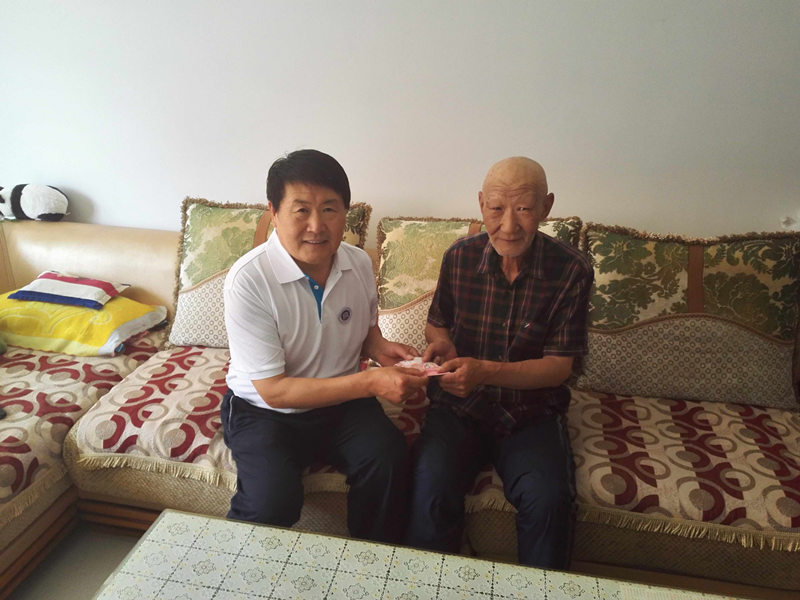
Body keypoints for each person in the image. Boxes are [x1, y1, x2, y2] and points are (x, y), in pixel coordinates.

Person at [222, 149, 428, 543]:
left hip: (342, 404)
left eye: (330, 209)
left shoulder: (358, 264)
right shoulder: (248, 280)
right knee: (271, 503)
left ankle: (369, 562)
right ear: (273, 212)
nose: (316, 226)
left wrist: (382, 349)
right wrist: (371, 382)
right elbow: (274, 390)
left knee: (388, 462)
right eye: (301, 210)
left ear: (346, 213)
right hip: (265, 412)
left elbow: (366, 332)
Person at [405, 156, 593, 567]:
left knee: (548, 502)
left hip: (531, 413)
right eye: (496, 208)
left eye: (523, 208)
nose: (508, 226)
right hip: (458, 407)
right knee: (429, 491)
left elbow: (559, 366)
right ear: (481, 204)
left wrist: (485, 371)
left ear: (546, 207)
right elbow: (437, 324)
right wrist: (442, 345)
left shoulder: (571, 270)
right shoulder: (459, 257)